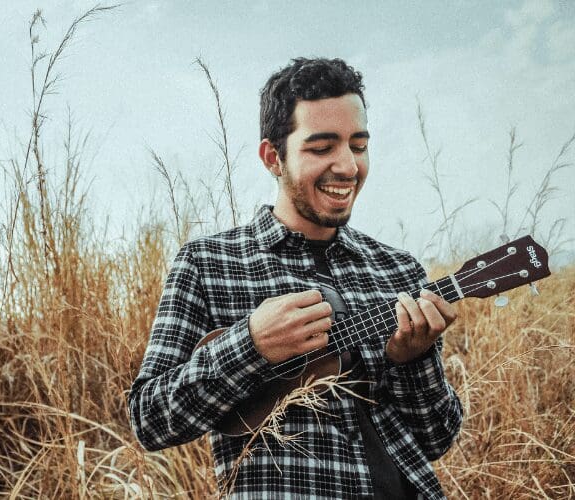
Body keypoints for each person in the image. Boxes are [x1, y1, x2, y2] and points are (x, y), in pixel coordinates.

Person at [128, 57, 463, 499]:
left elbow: (436, 441)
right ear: (273, 157)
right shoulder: (208, 264)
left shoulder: (398, 271)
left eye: (358, 146)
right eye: (322, 148)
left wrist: (414, 362)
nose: (347, 167)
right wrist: (250, 345)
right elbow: (150, 419)